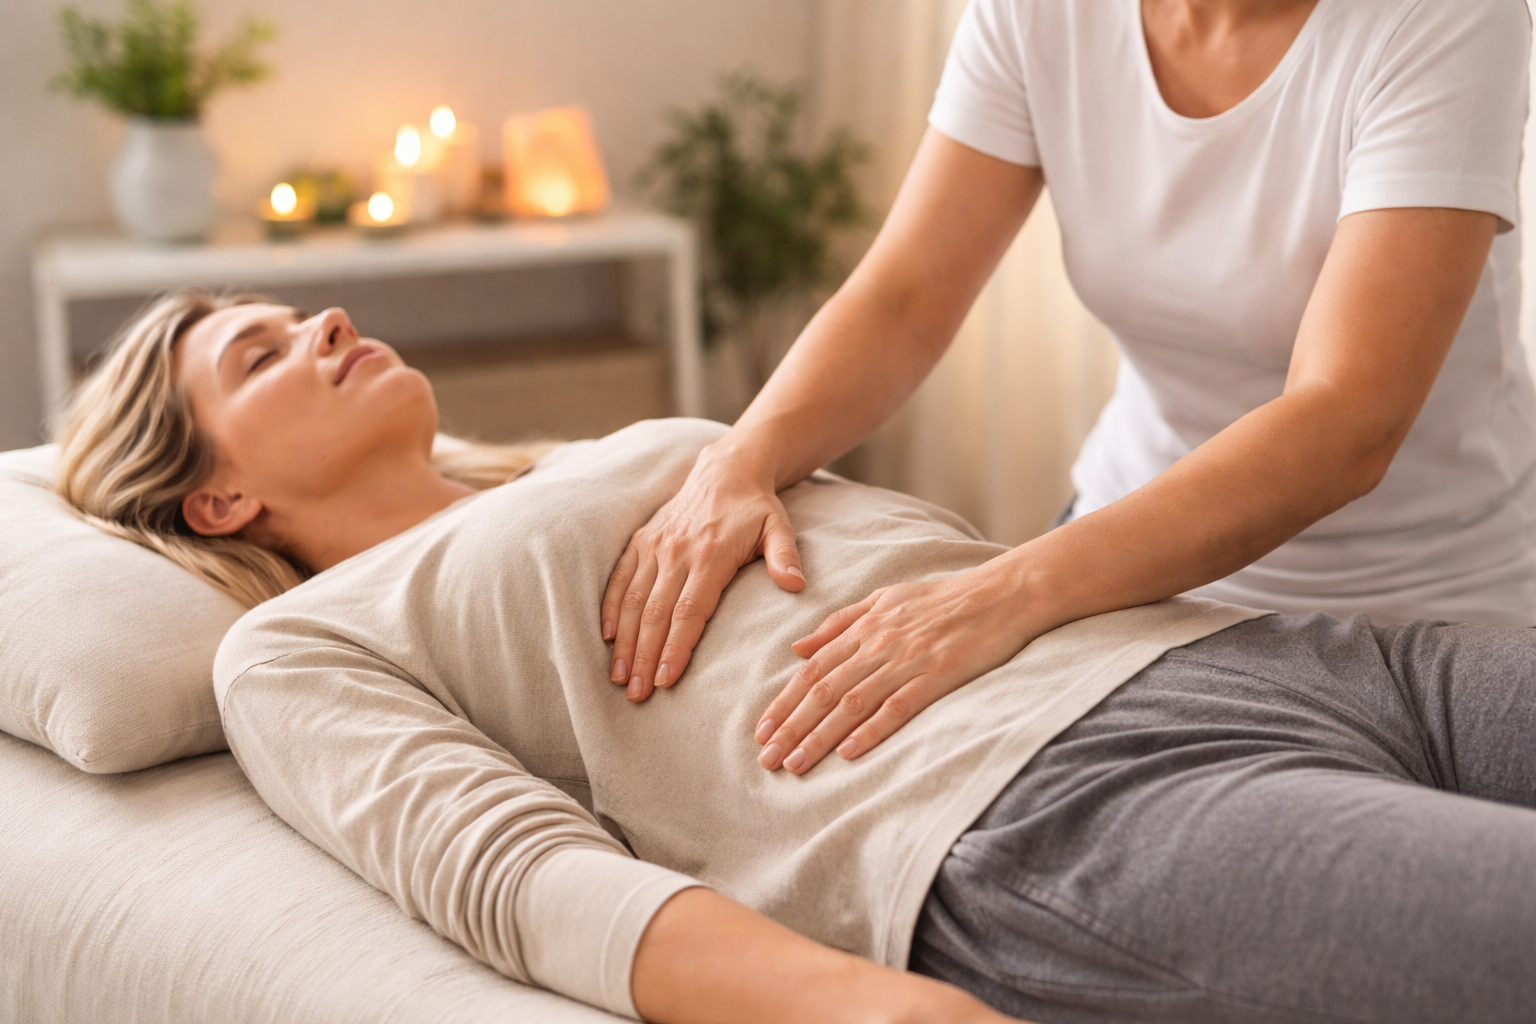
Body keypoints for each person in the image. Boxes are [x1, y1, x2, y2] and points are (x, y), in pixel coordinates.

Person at [53, 292, 1536, 1023]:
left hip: (1231, 647)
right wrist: (868, 1007)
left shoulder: (579, 459)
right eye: (258, 357)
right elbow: (512, 874)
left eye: (296, 316)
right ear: (216, 499)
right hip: (1046, 808)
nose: (321, 321)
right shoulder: (295, 648)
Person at [600, 0, 1536, 780]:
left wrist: (1005, 590)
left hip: (1422, 612)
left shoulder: (1446, 18)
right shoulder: (1041, 12)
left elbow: (1346, 419)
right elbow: (904, 300)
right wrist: (740, 456)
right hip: (1128, 580)